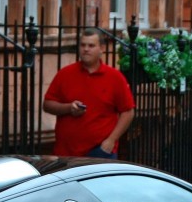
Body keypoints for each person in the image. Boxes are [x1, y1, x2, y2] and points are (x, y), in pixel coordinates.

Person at [43, 27, 136, 158]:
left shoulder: (114, 77)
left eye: (91, 45)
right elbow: (47, 104)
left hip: (100, 151)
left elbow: (128, 111)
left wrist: (111, 140)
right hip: (66, 152)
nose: (86, 49)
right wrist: (69, 108)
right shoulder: (65, 74)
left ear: (102, 49)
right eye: (83, 45)